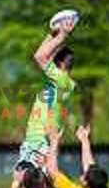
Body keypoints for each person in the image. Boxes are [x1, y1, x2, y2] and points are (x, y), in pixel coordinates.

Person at [17, 17, 77, 168]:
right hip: (40, 140)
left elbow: (39, 56)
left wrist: (62, 35)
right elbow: (45, 54)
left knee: (27, 187)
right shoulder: (65, 82)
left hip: (39, 140)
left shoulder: (59, 78)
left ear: (60, 64)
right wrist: (52, 34)